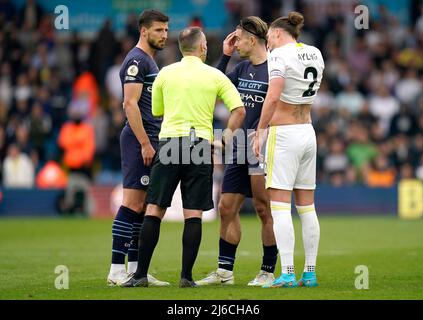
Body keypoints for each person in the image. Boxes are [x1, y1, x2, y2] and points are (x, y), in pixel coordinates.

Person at [121, 26, 245, 288]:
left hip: (169, 143)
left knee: (154, 209)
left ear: (180, 48)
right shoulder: (214, 75)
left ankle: (141, 275)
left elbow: (156, 110)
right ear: (203, 48)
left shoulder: (165, 73)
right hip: (199, 145)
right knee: (193, 214)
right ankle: (186, 278)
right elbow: (239, 110)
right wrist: (225, 138)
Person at [196, 16, 278, 287]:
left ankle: (268, 271)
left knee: (263, 208)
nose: (236, 42)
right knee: (226, 206)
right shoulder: (241, 69)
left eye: (239, 38)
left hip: (262, 145)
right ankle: (224, 272)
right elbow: (213, 87)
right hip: (238, 146)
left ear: (252, 40)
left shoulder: (275, 69)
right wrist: (226, 55)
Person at [253, 12, 324, 288]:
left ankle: (288, 273)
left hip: (284, 134)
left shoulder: (279, 56)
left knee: (280, 207)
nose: (267, 41)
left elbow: (273, 95)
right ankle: (310, 272)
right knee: (307, 207)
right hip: (308, 131)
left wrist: (260, 130)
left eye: (269, 36)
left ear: (279, 34)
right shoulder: (315, 53)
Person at [106, 9, 170, 287]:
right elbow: (129, 104)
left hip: (151, 138)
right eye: (158, 30)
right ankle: (115, 270)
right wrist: (144, 142)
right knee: (132, 204)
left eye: (166, 30)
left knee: (143, 207)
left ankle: (135, 271)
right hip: (138, 139)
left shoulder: (150, 62)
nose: (164, 35)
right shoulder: (136, 60)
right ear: (144, 31)